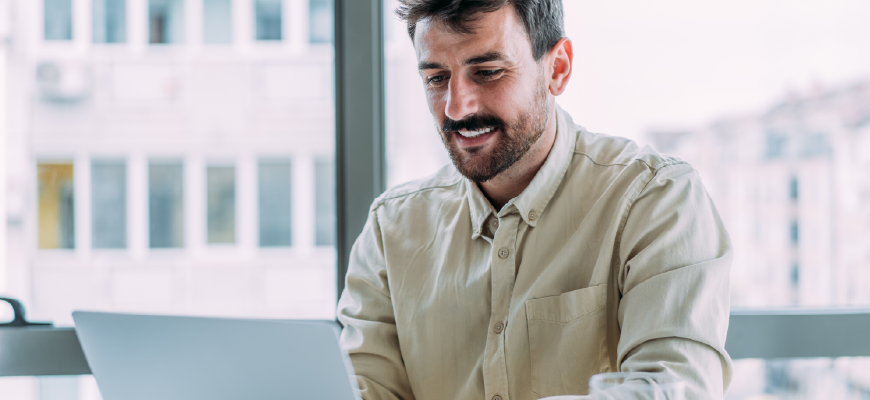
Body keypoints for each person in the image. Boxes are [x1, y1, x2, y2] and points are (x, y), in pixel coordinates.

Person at [336, 1, 732, 399]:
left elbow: (674, 390)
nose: (456, 107)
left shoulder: (655, 199)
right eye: (437, 78)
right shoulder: (391, 229)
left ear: (557, 69)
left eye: (487, 72)